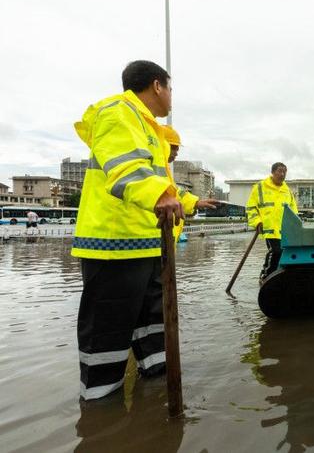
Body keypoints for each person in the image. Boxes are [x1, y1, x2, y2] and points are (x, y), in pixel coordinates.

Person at [71, 60, 184, 400]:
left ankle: (156, 382)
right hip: (114, 242)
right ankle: (100, 404)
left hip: (145, 243)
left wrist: (185, 202)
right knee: (108, 327)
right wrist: (159, 195)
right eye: (170, 88)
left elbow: (159, 183)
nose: (171, 97)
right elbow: (126, 168)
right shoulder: (119, 112)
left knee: (151, 324)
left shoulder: (148, 127)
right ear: (157, 85)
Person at [161, 125, 218, 240]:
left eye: (177, 149)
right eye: (173, 147)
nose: (176, 152)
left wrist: (195, 202)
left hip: (161, 239)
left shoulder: (164, 169)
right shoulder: (154, 166)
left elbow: (175, 194)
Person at [246, 162, 298, 282]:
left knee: (283, 253)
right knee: (275, 251)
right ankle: (265, 276)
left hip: (284, 230)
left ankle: (277, 275)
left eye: (285, 171)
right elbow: (251, 207)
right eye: (280, 171)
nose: (282, 174)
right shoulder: (260, 187)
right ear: (273, 172)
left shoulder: (287, 190)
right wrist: (257, 222)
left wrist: (295, 225)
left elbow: (293, 210)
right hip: (269, 228)